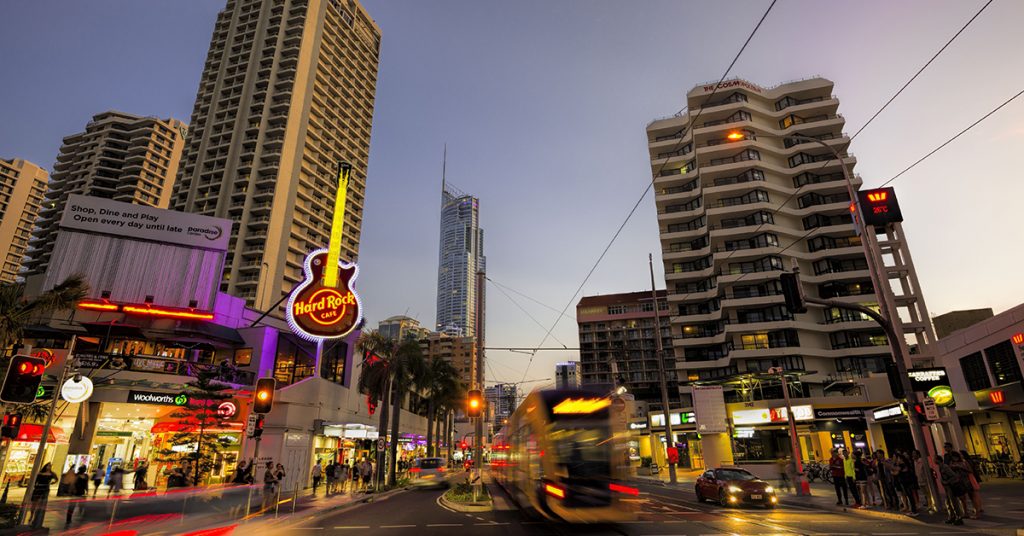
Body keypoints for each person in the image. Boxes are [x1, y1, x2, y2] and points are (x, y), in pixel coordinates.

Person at [936, 455, 965, 525]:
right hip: (946, 488)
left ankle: (959, 517)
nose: (934, 460)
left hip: (951, 487)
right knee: (948, 502)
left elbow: (954, 476)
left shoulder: (945, 467)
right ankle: (952, 516)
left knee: (953, 502)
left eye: (935, 459)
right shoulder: (940, 467)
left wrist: (947, 481)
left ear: (938, 460)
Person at [30, 462, 56, 528]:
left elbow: (56, 478)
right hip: (38, 488)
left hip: (45, 489)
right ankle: (31, 515)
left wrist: (52, 483)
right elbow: (36, 481)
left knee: (41, 503)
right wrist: (35, 485)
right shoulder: (40, 473)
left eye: (50, 466)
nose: (49, 467)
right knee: (34, 503)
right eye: (48, 466)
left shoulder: (51, 474)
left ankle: (37, 517)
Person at [960, 450, 983, 518]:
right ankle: (978, 509)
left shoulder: (966, 462)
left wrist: (961, 468)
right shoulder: (966, 461)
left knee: (974, 496)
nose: (960, 456)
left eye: (961, 454)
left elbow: (971, 470)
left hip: (970, 479)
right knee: (974, 495)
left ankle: (977, 510)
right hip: (970, 479)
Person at [894, 452, 918, 516]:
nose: (897, 460)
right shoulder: (904, 465)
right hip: (905, 482)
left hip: (906, 482)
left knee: (910, 496)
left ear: (901, 459)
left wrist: (890, 466)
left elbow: (896, 472)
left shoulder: (903, 465)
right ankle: (912, 510)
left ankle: (913, 511)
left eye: (898, 458)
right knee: (909, 496)